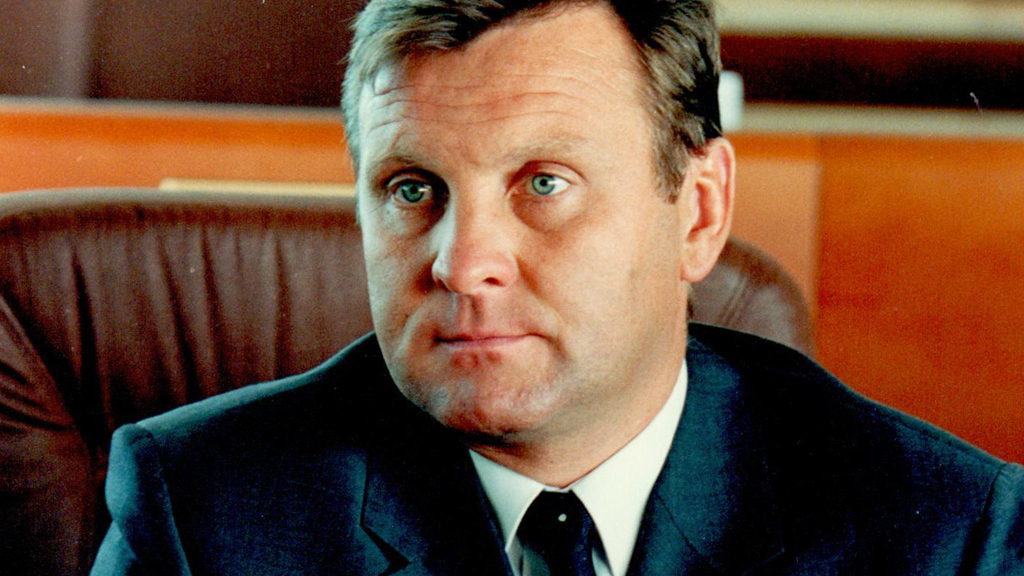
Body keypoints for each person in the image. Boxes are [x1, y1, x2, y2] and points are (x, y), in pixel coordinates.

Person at [91, 1, 1024, 574]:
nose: (463, 264)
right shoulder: (203, 514)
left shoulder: (944, 535)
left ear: (698, 212)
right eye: (412, 189)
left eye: (543, 183)